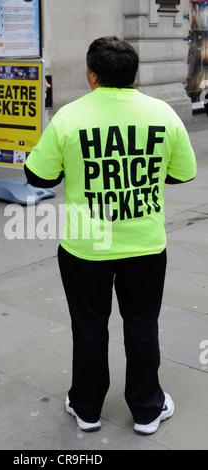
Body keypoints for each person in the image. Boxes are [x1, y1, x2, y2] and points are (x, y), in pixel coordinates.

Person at [24, 37, 197, 435]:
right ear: (133, 75)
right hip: (144, 243)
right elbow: (182, 172)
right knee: (141, 323)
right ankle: (147, 410)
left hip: (85, 246)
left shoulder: (69, 117)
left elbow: (39, 175)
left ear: (92, 75)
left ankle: (86, 408)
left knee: (88, 325)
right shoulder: (163, 113)